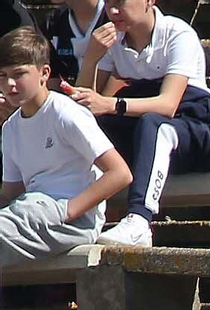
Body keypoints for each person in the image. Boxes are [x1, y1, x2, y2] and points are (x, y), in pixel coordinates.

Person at [70, 0, 210, 248]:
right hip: (146, 130)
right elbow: (81, 108)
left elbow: (168, 105)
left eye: (121, 3)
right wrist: (91, 59)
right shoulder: (113, 39)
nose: (113, 11)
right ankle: (74, 214)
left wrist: (111, 105)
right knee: (92, 128)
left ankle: (140, 220)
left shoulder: (177, 33)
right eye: (109, 4)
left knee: (155, 124)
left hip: (196, 126)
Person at [0, 24, 129, 265]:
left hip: (72, 220)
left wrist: (68, 210)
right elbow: (11, 194)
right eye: (2, 76)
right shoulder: (10, 128)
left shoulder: (65, 113)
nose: (10, 85)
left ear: (44, 73)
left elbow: (120, 173)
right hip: (30, 211)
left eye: (18, 74)